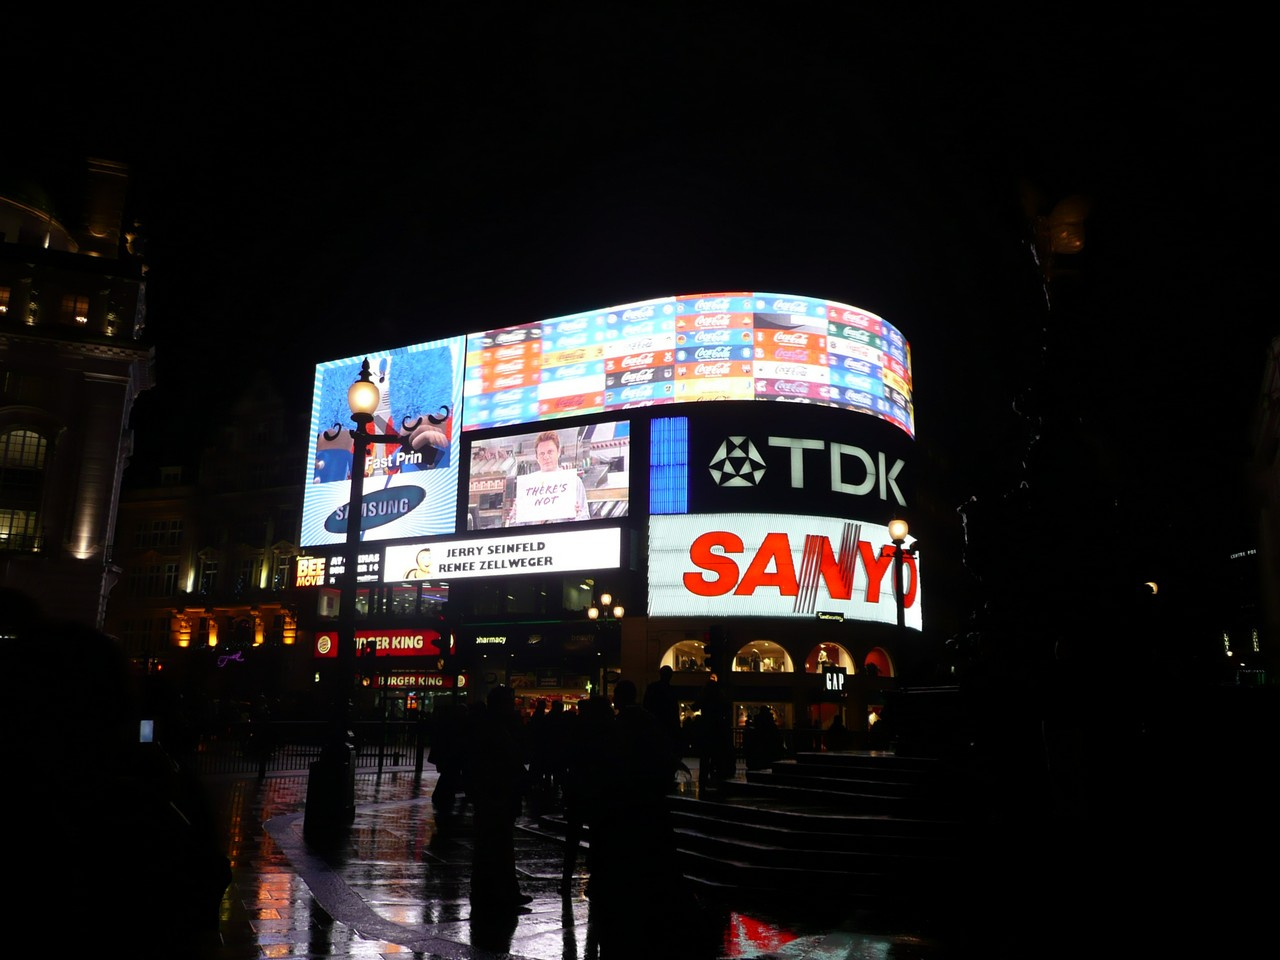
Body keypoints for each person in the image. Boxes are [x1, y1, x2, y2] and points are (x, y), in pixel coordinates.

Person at [461, 686, 532, 910]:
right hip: (496, 793)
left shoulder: (488, 726)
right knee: (496, 844)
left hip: (494, 793)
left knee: (492, 844)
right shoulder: (494, 728)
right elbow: (509, 757)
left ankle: (495, 889)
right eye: (509, 702)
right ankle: (499, 891)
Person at [512, 430, 588, 524]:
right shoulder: (527, 486)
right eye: (542, 453)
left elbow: (585, 518)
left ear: (558, 452)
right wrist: (517, 515)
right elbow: (515, 525)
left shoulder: (574, 482)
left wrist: (574, 517)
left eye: (550, 452)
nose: (546, 457)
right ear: (537, 457)